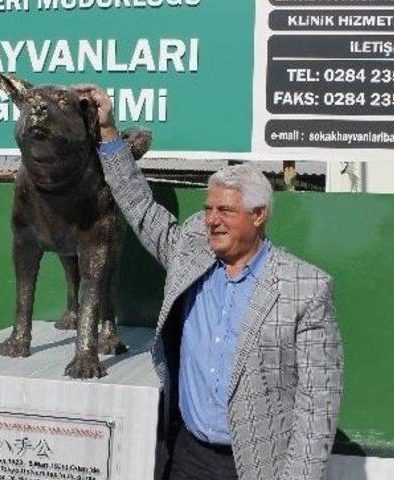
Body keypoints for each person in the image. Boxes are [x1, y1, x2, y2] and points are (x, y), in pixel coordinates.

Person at [74, 85, 344, 480]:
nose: (212, 220)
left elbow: (318, 406)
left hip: (257, 468)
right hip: (188, 456)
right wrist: (109, 132)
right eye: (208, 209)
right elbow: (139, 206)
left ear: (259, 215)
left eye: (226, 211)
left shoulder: (304, 287)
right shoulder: (191, 252)